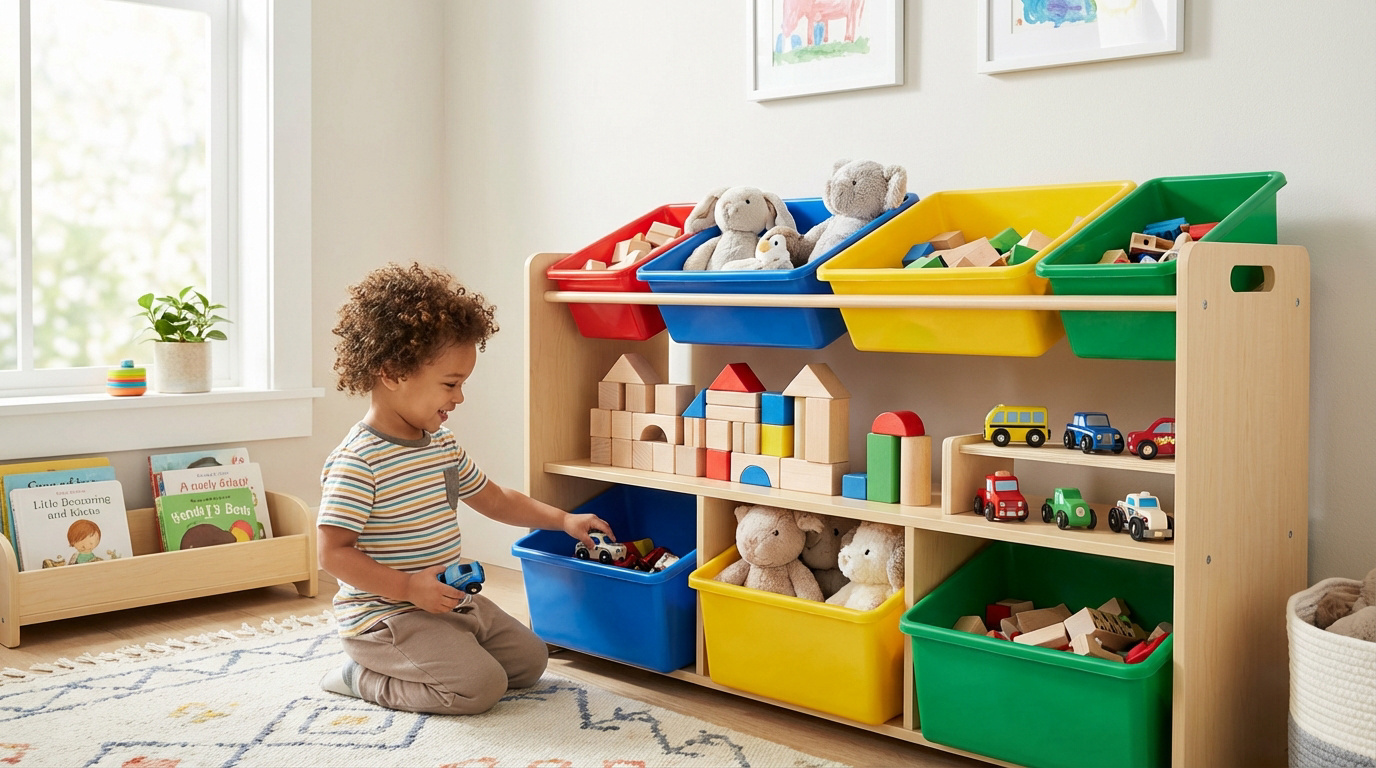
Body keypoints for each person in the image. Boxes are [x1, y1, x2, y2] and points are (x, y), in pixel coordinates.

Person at [317, 261, 613, 715]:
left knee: (531, 662)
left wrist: (563, 519)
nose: (459, 398)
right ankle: (361, 676)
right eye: (451, 384)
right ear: (393, 372)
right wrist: (407, 588)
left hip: (444, 600)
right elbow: (332, 553)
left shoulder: (441, 445)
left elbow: (494, 498)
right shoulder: (359, 461)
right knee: (479, 689)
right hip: (386, 617)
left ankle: (444, 649)